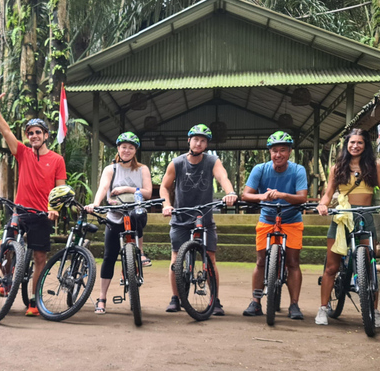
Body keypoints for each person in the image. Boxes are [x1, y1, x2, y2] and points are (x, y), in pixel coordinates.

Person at [0, 86, 67, 316]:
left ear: (45, 135)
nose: (33, 136)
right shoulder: (22, 152)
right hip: (20, 210)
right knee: (7, 246)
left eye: (37, 132)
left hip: (42, 214)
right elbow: (5, 131)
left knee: (40, 257)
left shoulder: (57, 159)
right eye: (30, 133)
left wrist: (55, 210)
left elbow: (60, 190)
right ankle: (5, 280)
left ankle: (34, 300)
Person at [160, 124, 238, 315]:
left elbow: (223, 178)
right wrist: (167, 205)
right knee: (176, 258)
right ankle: (175, 298)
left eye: (203, 141)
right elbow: (164, 186)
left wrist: (230, 193)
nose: (199, 143)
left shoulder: (212, 161)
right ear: (189, 141)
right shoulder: (177, 163)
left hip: (205, 216)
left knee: (210, 257)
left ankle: (215, 300)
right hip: (180, 217)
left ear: (206, 144)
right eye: (196, 139)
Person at [240, 132, 308, 319]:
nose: (278, 155)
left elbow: (302, 197)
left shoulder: (298, 170)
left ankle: (294, 304)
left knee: (293, 263)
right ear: (270, 152)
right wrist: (262, 196)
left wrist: (283, 195)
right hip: (267, 219)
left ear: (290, 152)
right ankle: (255, 302)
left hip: (292, 220)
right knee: (261, 261)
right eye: (275, 151)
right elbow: (246, 195)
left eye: (283, 150)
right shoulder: (260, 169)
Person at [316, 128, 380, 326]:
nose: (355, 146)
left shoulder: (374, 166)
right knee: (332, 267)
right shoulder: (337, 168)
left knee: (370, 268)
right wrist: (323, 204)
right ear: (347, 145)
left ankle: (374, 311)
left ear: (365, 146)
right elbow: (328, 194)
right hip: (343, 216)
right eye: (352, 142)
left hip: (366, 215)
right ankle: (323, 308)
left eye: (360, 143)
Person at [84, 132, 152, 314]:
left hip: (135, 213)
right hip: (115, 215)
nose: (127, 150)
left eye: (131, 147)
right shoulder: (110, 169)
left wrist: (126, 189)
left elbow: (147, 193)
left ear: (135, 150)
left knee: (137, 215)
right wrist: (95, 204)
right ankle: (102, 298)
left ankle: (141, 253)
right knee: (109, 257)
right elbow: (103, 188)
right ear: (118, 148)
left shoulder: (142, 169)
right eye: (124, 147)